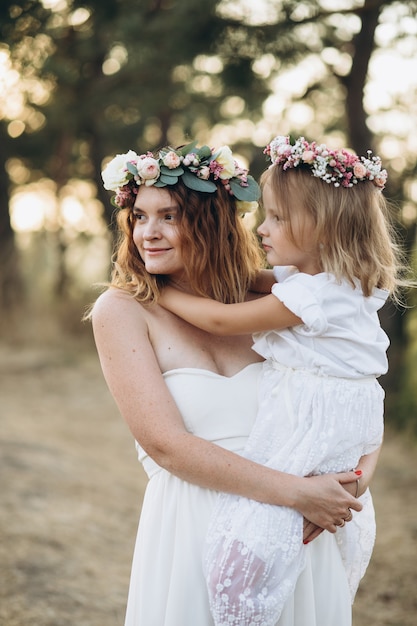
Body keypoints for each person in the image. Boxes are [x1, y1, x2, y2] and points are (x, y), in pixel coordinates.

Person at [90, 139, 379, 626]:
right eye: (139, 216)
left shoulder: (283, 301)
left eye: (170, 216)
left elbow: (357, 403)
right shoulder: (121, 310)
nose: (148, 234)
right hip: (191, 530)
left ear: (213, 221)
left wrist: (346, 489)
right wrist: (295, 492)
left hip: (296, 532)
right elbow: (166, 446)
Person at [158, 135, 411, 626]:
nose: (262, 227)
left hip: (317, 422)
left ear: (323, 228)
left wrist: (162, 290)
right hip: (346, 415)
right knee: (282, 539)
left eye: (276, 217)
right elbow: (253, 280)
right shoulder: (334, 286)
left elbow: (219, 320)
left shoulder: (314, 297)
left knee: (250, 548)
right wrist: (212, 266)